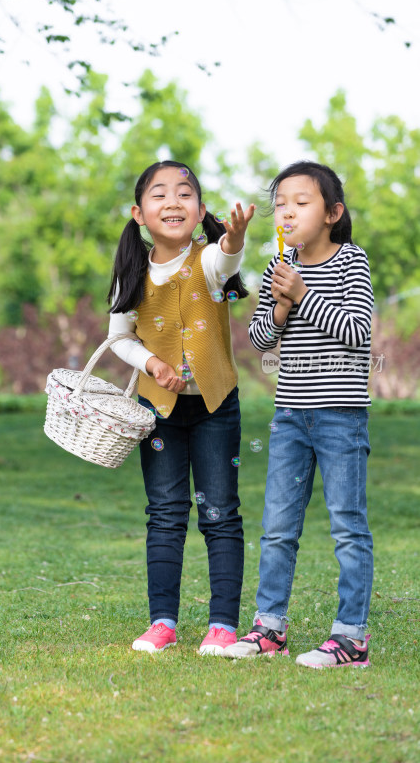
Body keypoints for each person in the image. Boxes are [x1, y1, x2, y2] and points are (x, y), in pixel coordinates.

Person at [223, 160, 374, 668]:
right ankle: (269, 628)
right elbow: (260, 339)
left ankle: (351, 638)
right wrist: (283, 306)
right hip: (290, 415)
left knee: (348, 526)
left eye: (300, 203)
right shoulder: (276, 270)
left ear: (332, 212)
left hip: (340, 415)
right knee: (278, 527)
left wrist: (305, 296)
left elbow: (358, 334)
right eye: (280, 204)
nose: (287, 213)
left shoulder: (352, 261)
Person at [107, 160, 255, 654]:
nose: (173, 202)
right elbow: (119, 339)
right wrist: (151, 363)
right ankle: (163, 622)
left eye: (184, 193)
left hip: (216, 406)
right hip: (159, 411)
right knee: (166, 514)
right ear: (138, 213)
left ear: (201, 210)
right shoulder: (131, 273)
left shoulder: (209, 260)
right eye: (159, 195)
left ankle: (222, 625)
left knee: (219, 513)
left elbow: (228, 262)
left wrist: (234, 239)